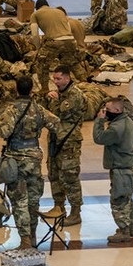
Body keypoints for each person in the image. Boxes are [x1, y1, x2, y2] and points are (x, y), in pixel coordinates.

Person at [0, 77, 60, 249]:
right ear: (32, 89)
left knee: (19, 200)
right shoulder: (38, 108)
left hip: (16, 160)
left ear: (16, 90)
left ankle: (25, 240)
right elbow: (56, 123)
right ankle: (33, 236)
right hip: (34, 157)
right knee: (33, 200)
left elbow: (5, 130)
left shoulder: (11, 109)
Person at [93, 96, 133, 244]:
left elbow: (99, 138)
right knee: (127, 198)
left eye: (108, 110)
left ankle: (124, 230)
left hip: (120, 167)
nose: (105, 112)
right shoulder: (130, 121)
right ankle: (131, 227)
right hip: (129, 165)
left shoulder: (116, 128)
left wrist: (99, 121)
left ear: (117, 110)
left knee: (119, 199)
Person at [42, 68, 85, 226]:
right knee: (54, 173)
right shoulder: (61, 94)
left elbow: (56, 113)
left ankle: (75, 212)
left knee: (69, 177)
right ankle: (58, 206)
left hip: (68, 142)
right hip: (55, 138)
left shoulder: (75, 94)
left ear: (67, 78)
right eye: (54, 78)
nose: (56, 82)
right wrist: (50, 97)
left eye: (59, 78)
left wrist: (53, 99)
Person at [30, 0, 78, 96]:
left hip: (55, 41)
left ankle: (44, 89)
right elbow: (67, 27)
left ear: (37, 8)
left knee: (42, 64)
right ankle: (84, 83)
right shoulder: (60, 11)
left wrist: (38, 47)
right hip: (70, 40)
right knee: (73, 63)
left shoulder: (36, 14)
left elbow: (34, 34)